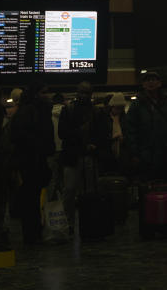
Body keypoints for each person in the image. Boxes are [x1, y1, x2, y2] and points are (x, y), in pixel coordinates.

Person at [57, 81, 110, 233]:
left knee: (73, 190)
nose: (83, 95)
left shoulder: (68, 110)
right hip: (85, 155)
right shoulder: (95, 112)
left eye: (86, 92)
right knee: (81, 190)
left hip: (75, 155)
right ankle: (85, 222)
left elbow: (64, 133)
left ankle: (73, 223)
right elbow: (102, 134)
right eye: (82, 92)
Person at [7, 79, 55, 244]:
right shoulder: (34, 111)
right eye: (43, 92)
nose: (47, 95)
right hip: (32, 161)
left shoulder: (28, 110)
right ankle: (32, 234)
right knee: (31, 198)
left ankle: (32, 234)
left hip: (30, 161)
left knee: (31, 198)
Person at [125, 72, 167, 185]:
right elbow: (130, 130)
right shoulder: (137, 104)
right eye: (147, 80)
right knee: (148, 187)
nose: (150, 82)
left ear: (159, 83)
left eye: (153, 79)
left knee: (166, 185)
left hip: (166, 154)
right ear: (143, 85)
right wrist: (135, 153)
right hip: (145, 155)